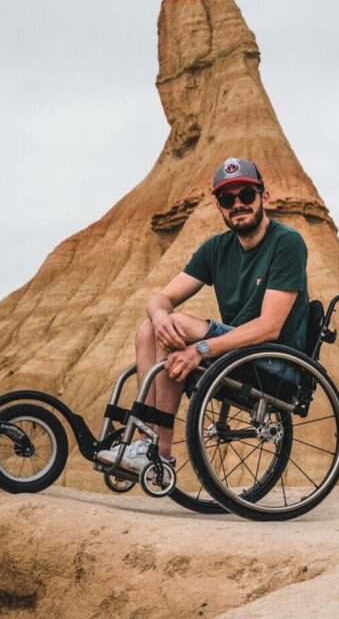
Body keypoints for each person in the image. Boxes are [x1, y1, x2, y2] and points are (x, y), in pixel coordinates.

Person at [97, 156, 309, 471]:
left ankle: (160, 451)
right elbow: (162, 297)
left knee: (179, 325)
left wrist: (201, 349)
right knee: (149, 328)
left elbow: (270, 327)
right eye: (227, 199)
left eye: (246, 195)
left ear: (265, 197)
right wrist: (159, 319)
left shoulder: (287, 243)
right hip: (240, 356)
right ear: (220, 206)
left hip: (277, 363)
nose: (237, 204)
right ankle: (146, 441)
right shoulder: (216, 249)